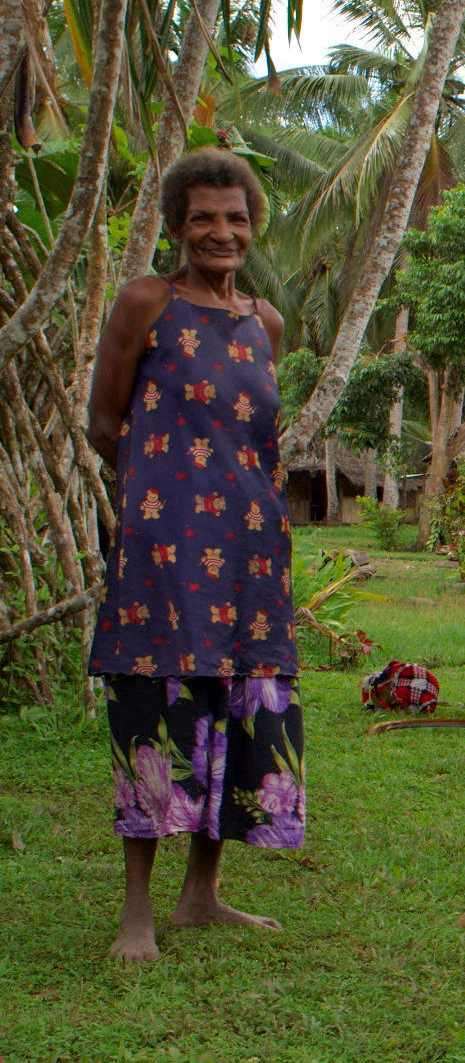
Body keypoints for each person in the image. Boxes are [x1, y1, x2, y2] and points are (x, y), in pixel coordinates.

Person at [85, 148, 302, 962]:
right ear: (177, 226)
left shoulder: (265, 324)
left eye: (236, 218)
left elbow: (254, 439)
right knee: (155, 709)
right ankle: (137, 912)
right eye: (204, 218)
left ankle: (201, 896)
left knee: (239, 707)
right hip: (164, 552)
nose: (222, 232)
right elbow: (105, 423)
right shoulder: (147, 301)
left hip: (251, 553)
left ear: (252, 228)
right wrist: (160, 505)